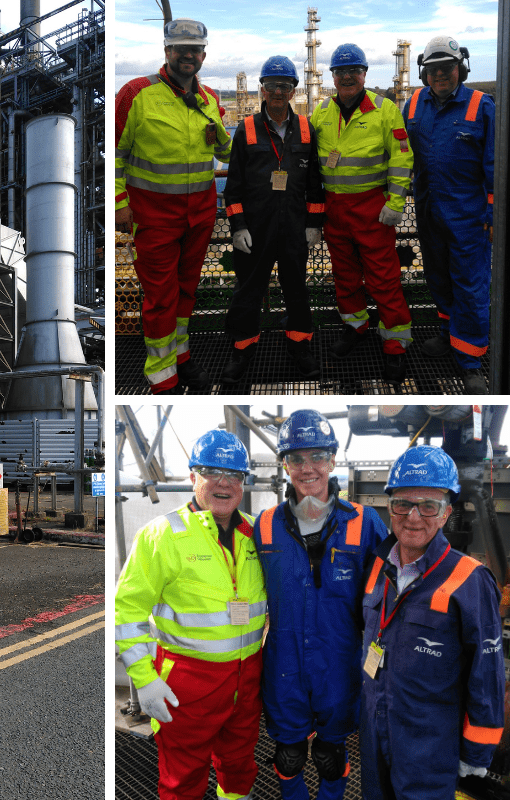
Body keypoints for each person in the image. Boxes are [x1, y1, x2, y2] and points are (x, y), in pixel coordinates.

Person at [115, 430, 266, 800]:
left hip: (248, 682)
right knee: (183, 779)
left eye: (234, 475)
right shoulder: (161, 535)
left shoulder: (257, 533)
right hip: (188, 685)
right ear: (192, 476)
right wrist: (145, 679)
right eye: (212, 472)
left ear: (243, 483)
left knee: (239, 767)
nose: (224, 483)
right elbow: (126, 611)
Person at [253, 410, 388, 800]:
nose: (307, 468)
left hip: (340, 662)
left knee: (330, 753)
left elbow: (385, 598)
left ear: (332, 460)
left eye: (317, 457)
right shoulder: (263, 525)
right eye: (296, 458)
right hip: (284, 663)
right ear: (284, 464)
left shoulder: (366, 523)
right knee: (290, 754)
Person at [360, 445, 504, 799]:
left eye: (428, 506)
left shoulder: (470, 580)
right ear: (389, 507)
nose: (413, 517)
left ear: (446, 513)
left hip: (428, 747)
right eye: (403, 504)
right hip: (374, 733)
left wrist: (475, 753)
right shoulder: (378, 566)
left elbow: (486, 675)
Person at [115, 18, 232, 394]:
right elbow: (116, 154)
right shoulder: (136, 94)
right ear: (167, 51)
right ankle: (162, 376)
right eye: (181, 48)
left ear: (203, 55)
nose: (188, 55)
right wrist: (119, 203)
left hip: (199, 212)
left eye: (195, 49)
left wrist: (236, 135)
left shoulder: (210, 99)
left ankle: (181, 356)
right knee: (161, 295)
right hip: (153, 214)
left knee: (186, 289)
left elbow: (225, 151)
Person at [310, 43, 414, 386]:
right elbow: (310, 164)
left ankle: (396, 343)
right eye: (340, 72)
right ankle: (355, 326)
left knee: (383, 276)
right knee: (345, 274)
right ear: (333, 77)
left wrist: (395, 204)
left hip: (371, 208)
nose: (347, 77)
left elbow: (402, 158)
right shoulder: (322, 112)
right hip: (334, 209)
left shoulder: (384, 110)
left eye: (354, 71)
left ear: (365, 74)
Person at [222, 56, 325, 383]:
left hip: (294, 227)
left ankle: (300, 345)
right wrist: (238, 227)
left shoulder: (307, 129)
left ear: (294, 90)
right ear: (262, 90)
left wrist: (313, 224)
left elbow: (315, 184)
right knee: (248, 291)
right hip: (256, 229)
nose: (278, 91)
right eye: (272, 86)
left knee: (296, 289)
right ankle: (243, 349)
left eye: (285, 85)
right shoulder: (246, 128)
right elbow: (233, 186)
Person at [403, 36, 495, 394]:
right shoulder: (413, 106)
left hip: (468, 215)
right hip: (428, 211)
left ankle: (471, 360)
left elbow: (494, 164)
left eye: (448, 67)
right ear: (425, 73)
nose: (440, 75)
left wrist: (491, 211)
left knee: (470, 285)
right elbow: (400, 156)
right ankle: (448, 334)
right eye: (433, 69)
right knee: (439, 277)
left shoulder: (480, 107)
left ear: (462, 69)